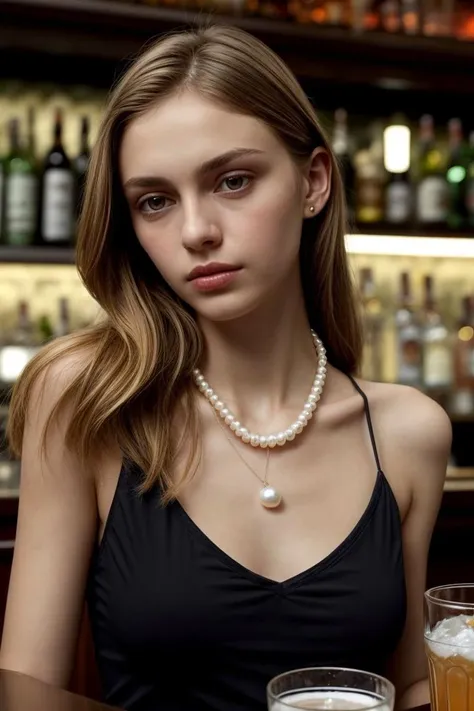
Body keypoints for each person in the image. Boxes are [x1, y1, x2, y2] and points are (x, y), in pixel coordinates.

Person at [0, 24, 451, 711]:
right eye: (155, 200)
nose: (195, 231)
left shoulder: (409, 431)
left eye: (232, 181)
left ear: (314, 181)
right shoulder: (87, 399)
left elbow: (411, 681)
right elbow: (24, 691)